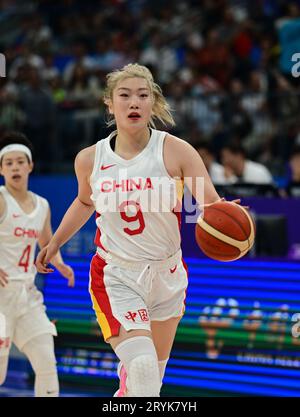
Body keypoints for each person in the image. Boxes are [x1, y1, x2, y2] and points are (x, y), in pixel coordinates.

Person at [36, 63, 238, 397]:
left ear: (153, 103)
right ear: (109, 104)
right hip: (117, 275)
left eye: (143, 95)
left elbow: (212, 208)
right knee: (143, 370)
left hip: (168, 275)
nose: (134, 102)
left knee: (149, 385)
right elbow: (85, 202)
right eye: (125, 95)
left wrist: (235, 227)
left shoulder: (176, 150)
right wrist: (55, 242)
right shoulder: (90, 159)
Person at [0, 131, 75, 397]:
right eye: (8, 163)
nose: (15, 167)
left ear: (30, 165)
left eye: (20, 161)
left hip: (26, 297)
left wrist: (61, 264)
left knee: (46, 362)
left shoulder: (42, 205)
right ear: (1, 169)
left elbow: (47, 244)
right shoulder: (0, 199)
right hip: (0, 299)